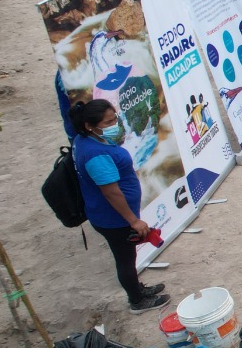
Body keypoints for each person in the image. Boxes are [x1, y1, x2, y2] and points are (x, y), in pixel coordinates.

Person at [69, 99, 170, 312]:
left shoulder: (84, 140)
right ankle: (137, 301)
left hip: (109, 215)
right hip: (114, 219)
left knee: (127, 257)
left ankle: (137, 290)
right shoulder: (95, 154)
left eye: (115, 118)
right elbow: (111, 192)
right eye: (109, 121)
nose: (115, 123)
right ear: (90, 125)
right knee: (125, 259)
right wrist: (133, 220)